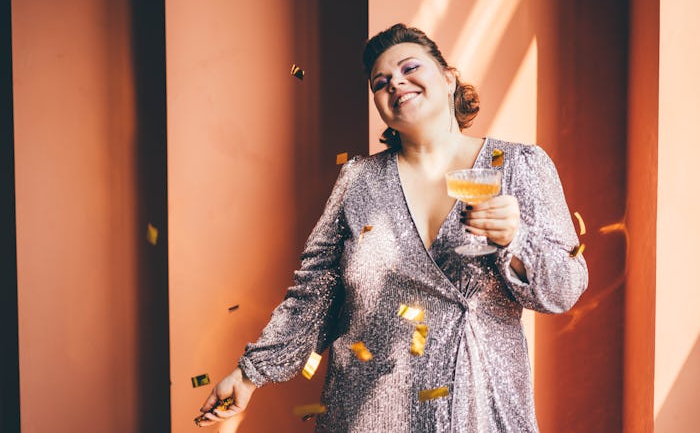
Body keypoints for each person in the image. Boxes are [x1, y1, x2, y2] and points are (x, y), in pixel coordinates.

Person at [197, 23, 588, 432]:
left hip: (478, 411)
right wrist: (248, 374)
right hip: (367, 413)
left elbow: (564, 289)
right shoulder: (358, 181)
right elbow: (313, 295)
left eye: (409, 68)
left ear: (449, 77)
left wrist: (516, 239)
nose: (395, 83)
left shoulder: (520, 166)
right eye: (380, 82)